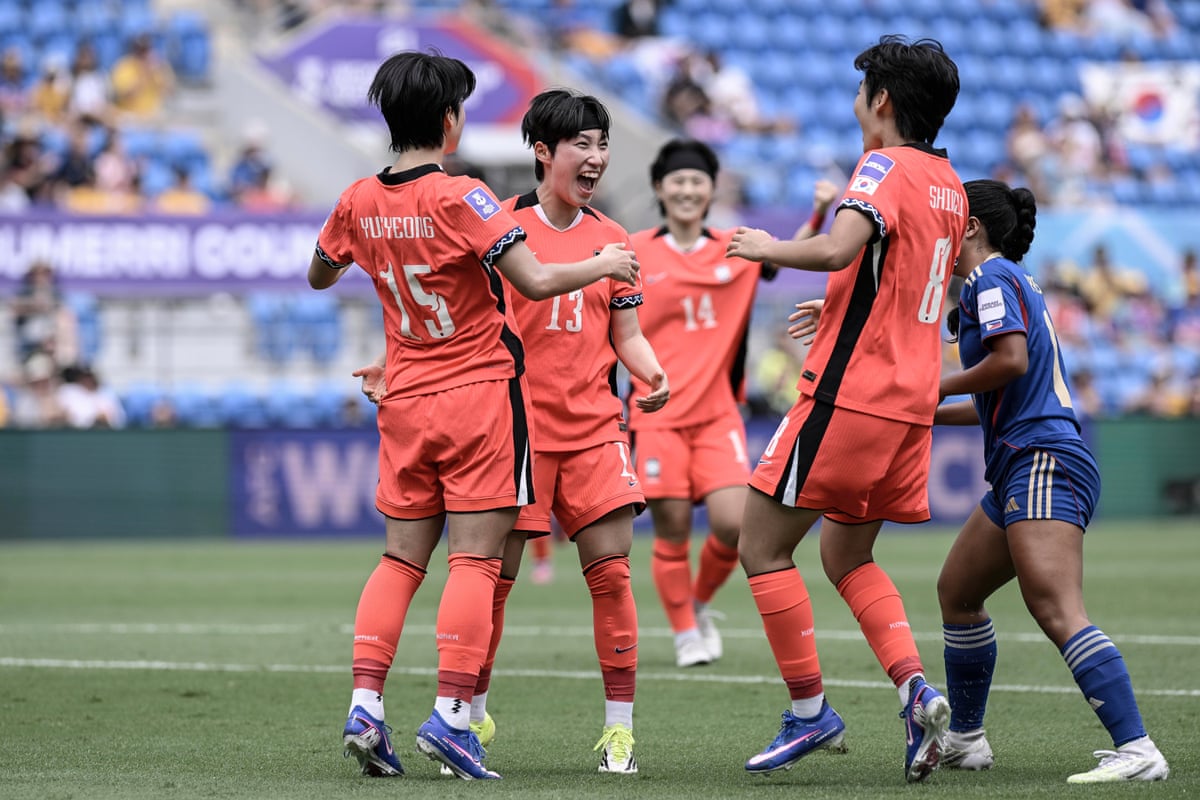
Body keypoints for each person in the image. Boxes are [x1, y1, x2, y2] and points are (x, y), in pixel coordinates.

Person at [309, 51, 640, 782]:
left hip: (403, 399)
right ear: (450, 119)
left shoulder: (357, 198)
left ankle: (365, 706)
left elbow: (320, 272)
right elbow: (537, 279)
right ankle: (452, 717)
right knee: (476, 561)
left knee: (400, 560)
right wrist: (605, 264)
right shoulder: (465, 196)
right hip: (478, 398)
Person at [724, 35, 964, 782]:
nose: (856, 105)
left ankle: (809, 711)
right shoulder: (951, 183)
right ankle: (916, 692)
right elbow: (901, 277)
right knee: (847, 555)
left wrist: (765, 246)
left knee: (760, 546)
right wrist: (838, 307)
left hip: (850, 395)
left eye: (861, 93)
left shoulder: (883, 165)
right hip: (911, 404)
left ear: (881, 100)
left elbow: (838, 248)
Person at [933, 179, 1170, 784]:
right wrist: (924, 410)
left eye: (948, 217)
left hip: (1041, 458)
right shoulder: (1010, 279)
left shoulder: (989, 277)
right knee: (958, 591)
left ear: (971, 227)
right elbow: (997, 395)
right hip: (1029, 456)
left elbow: (1009, 361)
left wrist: (928, 387)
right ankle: (966, 740)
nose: (938, 229)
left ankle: (1138, 748)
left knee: (1054, 605)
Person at [463, 88, 670, 776]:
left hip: (593, 430)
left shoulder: (616, 236)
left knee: (612, 575)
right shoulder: (500, 226)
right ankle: (471, 716)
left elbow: (627, 332)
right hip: (514, 432)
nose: (596, 157)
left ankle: (620, 733)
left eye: (602, 145)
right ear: (543, 151)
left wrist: (650, 371)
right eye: (582, 144)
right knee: (493, 583)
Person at [627, 139, 836, 670]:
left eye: (697, 180)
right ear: (659, 188)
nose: (687, 189)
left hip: (718, 412)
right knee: (673, 526)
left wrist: (818, 210)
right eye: (677, 180)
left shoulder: (735, 245)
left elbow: (786, 252)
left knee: (732, 524)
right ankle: (684, 633)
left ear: (711, 189)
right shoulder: (632, 251)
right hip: (655, 414)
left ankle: (697, 605)